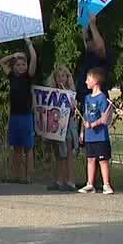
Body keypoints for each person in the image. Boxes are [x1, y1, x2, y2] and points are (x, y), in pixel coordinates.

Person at [0, 38, 37, 184]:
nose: (21, 67)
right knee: (16, 148)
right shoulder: (12, 76)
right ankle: (16, 175)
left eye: (23, 64)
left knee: (28, 148)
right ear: (14, 67)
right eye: (18, 65)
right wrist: (14, 55)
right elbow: (2, 61)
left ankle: (28, 176)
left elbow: (33, 57)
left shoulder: (28, 77)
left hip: (26, 116)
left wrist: (29, 44)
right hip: (14, 116)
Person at [77, 68, 114, 195]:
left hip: (100, 136)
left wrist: (92, 124)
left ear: (96, 81)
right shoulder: (87, 98)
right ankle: (90, 183)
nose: (86, 81)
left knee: (103, 160)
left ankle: (106, 184)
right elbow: (85, 116)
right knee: (90, 159)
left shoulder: (102, 97)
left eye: (89, 79)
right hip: (89, 136)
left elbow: (104, 118)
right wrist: (82, 131)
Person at [45, 64, 78, 192]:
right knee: (58, 154)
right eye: (58, 76)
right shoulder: (51, 93)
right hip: (56, 127)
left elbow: (74, 110)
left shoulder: (70, 92)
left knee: (69, 154)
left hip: (68, 125)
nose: (60, 78)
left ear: (67, 77)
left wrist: (73, 104)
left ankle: (70, 181)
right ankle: (59, 180)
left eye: (63, 76)